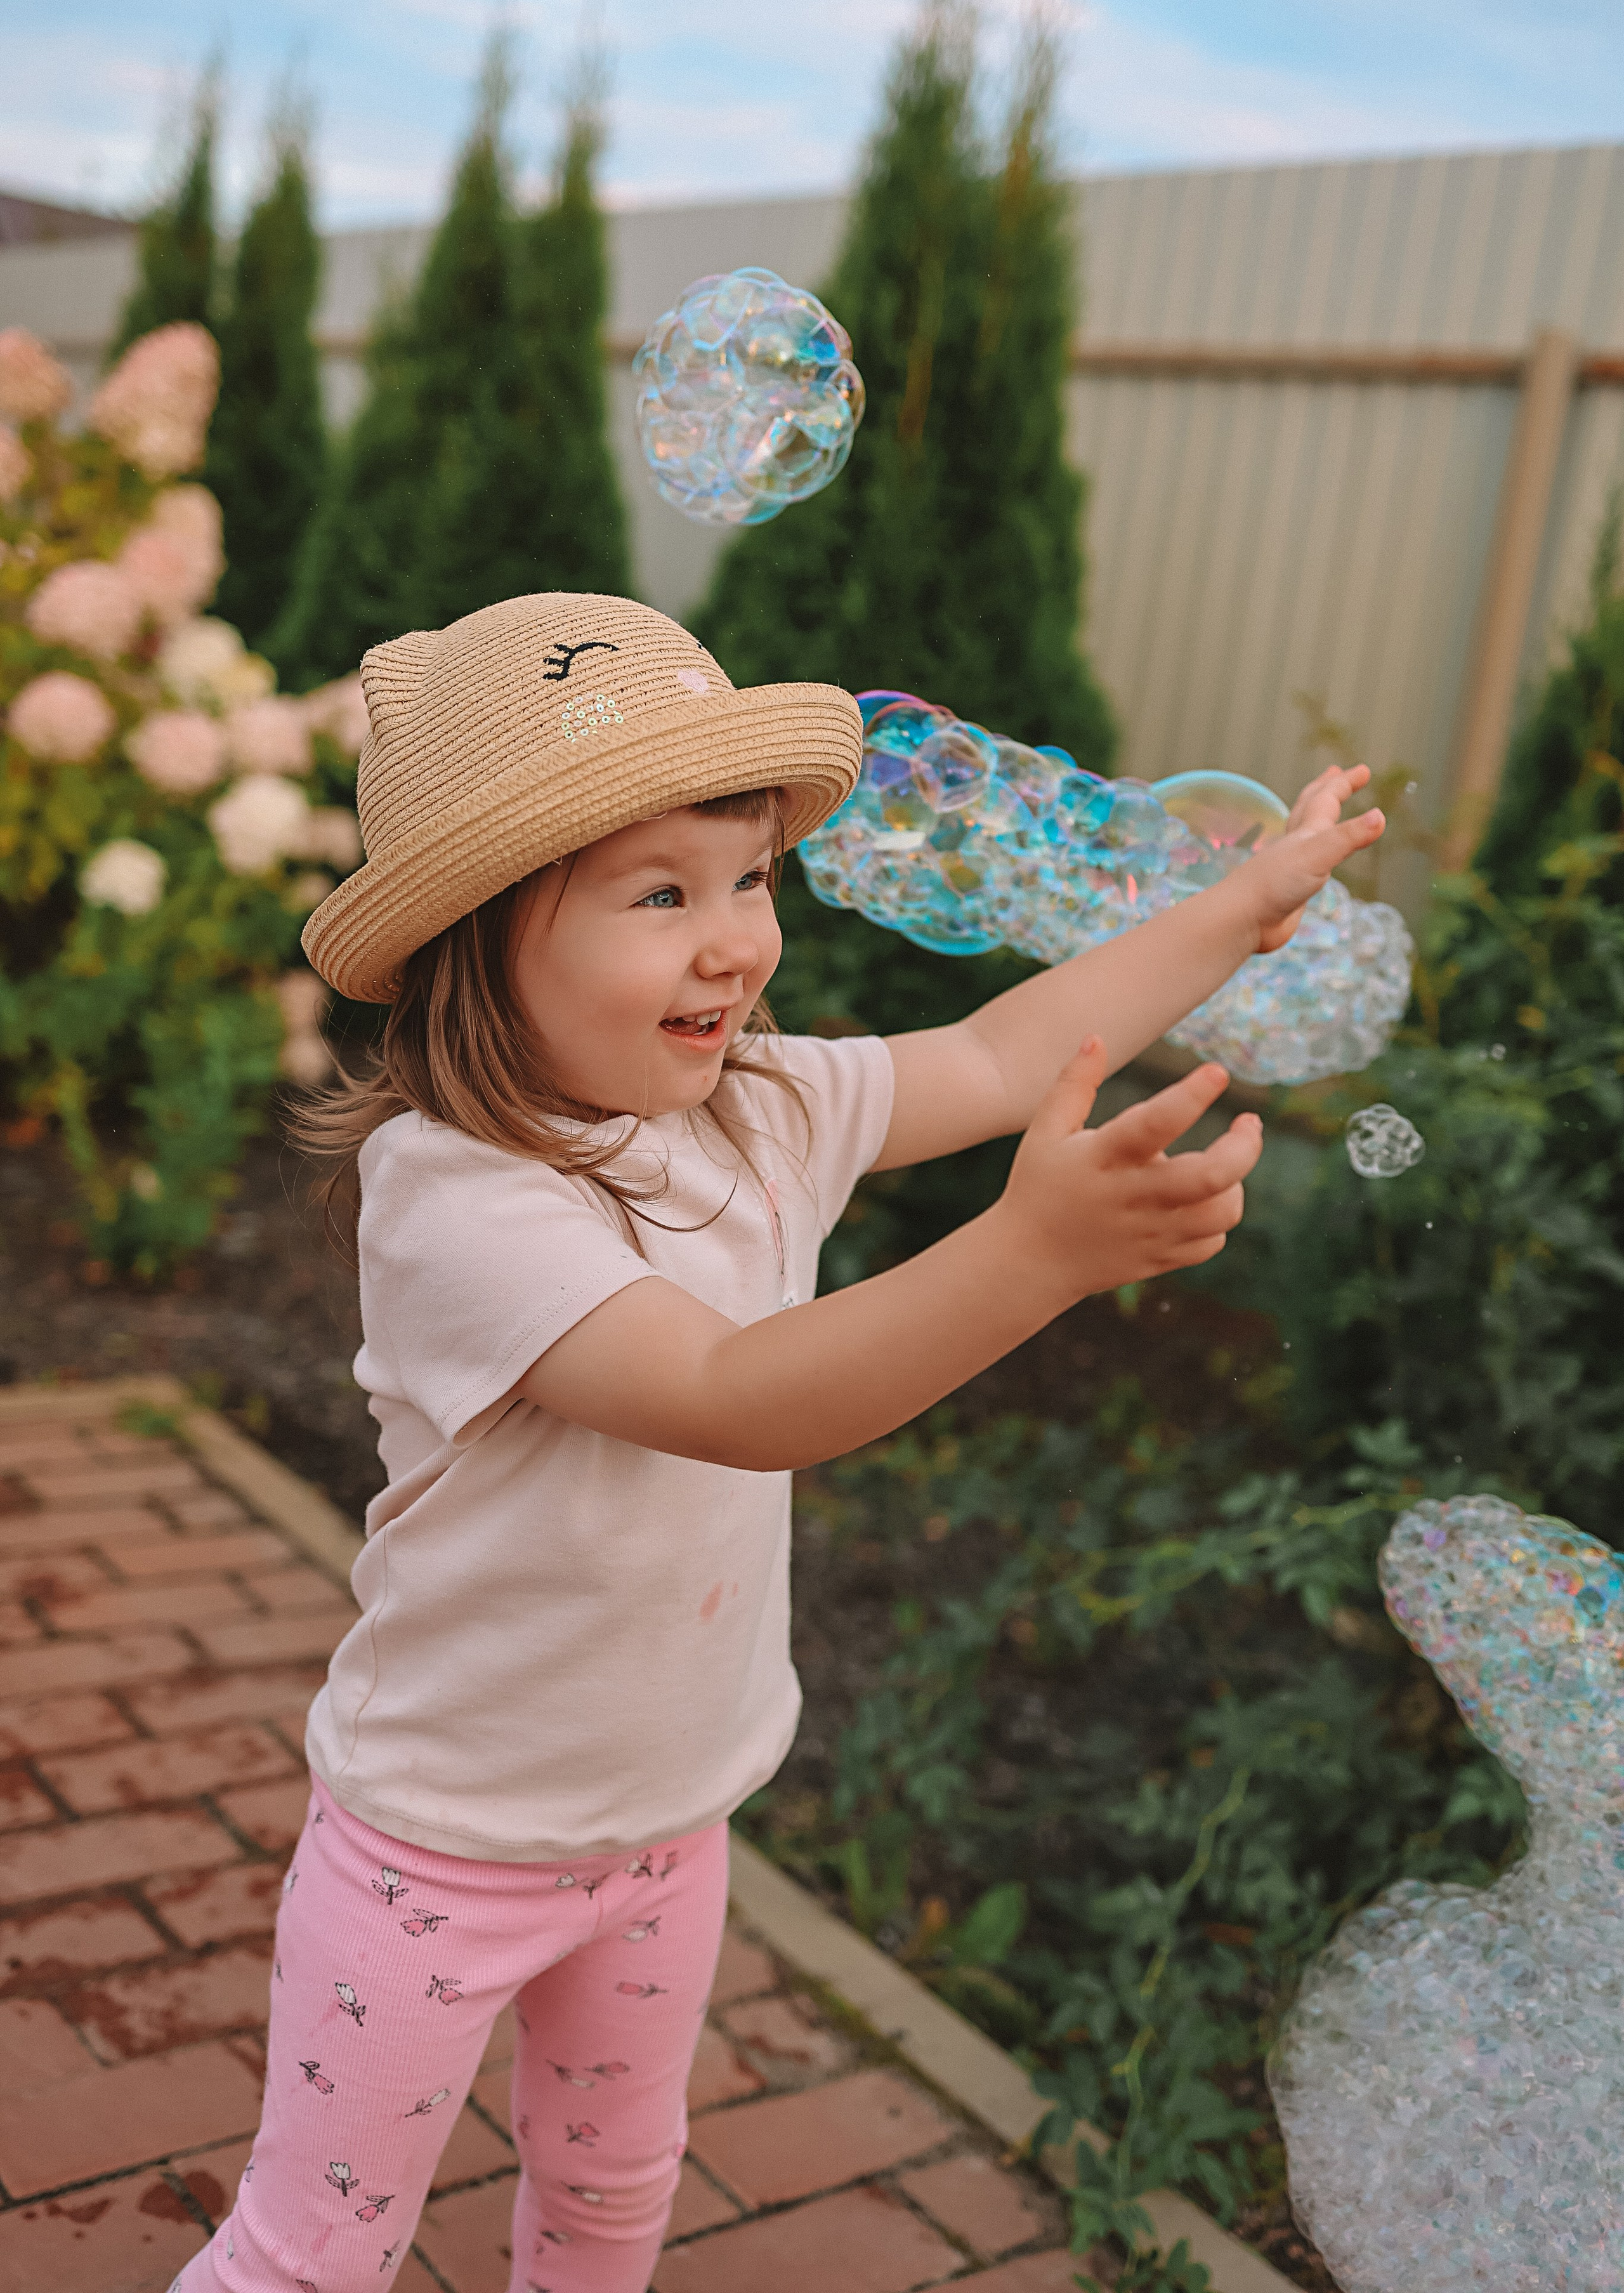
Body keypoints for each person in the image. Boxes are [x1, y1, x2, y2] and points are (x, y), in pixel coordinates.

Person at [178, 592, 1382, 2293]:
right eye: (660, 893)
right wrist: (1034, 1254)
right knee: (316, 2255)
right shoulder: (459, 1194)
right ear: (477, 933)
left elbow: (1010, 1047)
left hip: (670, 1826)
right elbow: (741, 1398)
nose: (736, 939)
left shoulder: (763, 1105)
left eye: (748, 880)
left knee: (612, 2203)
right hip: (438, 1853)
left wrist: (1239, 908)